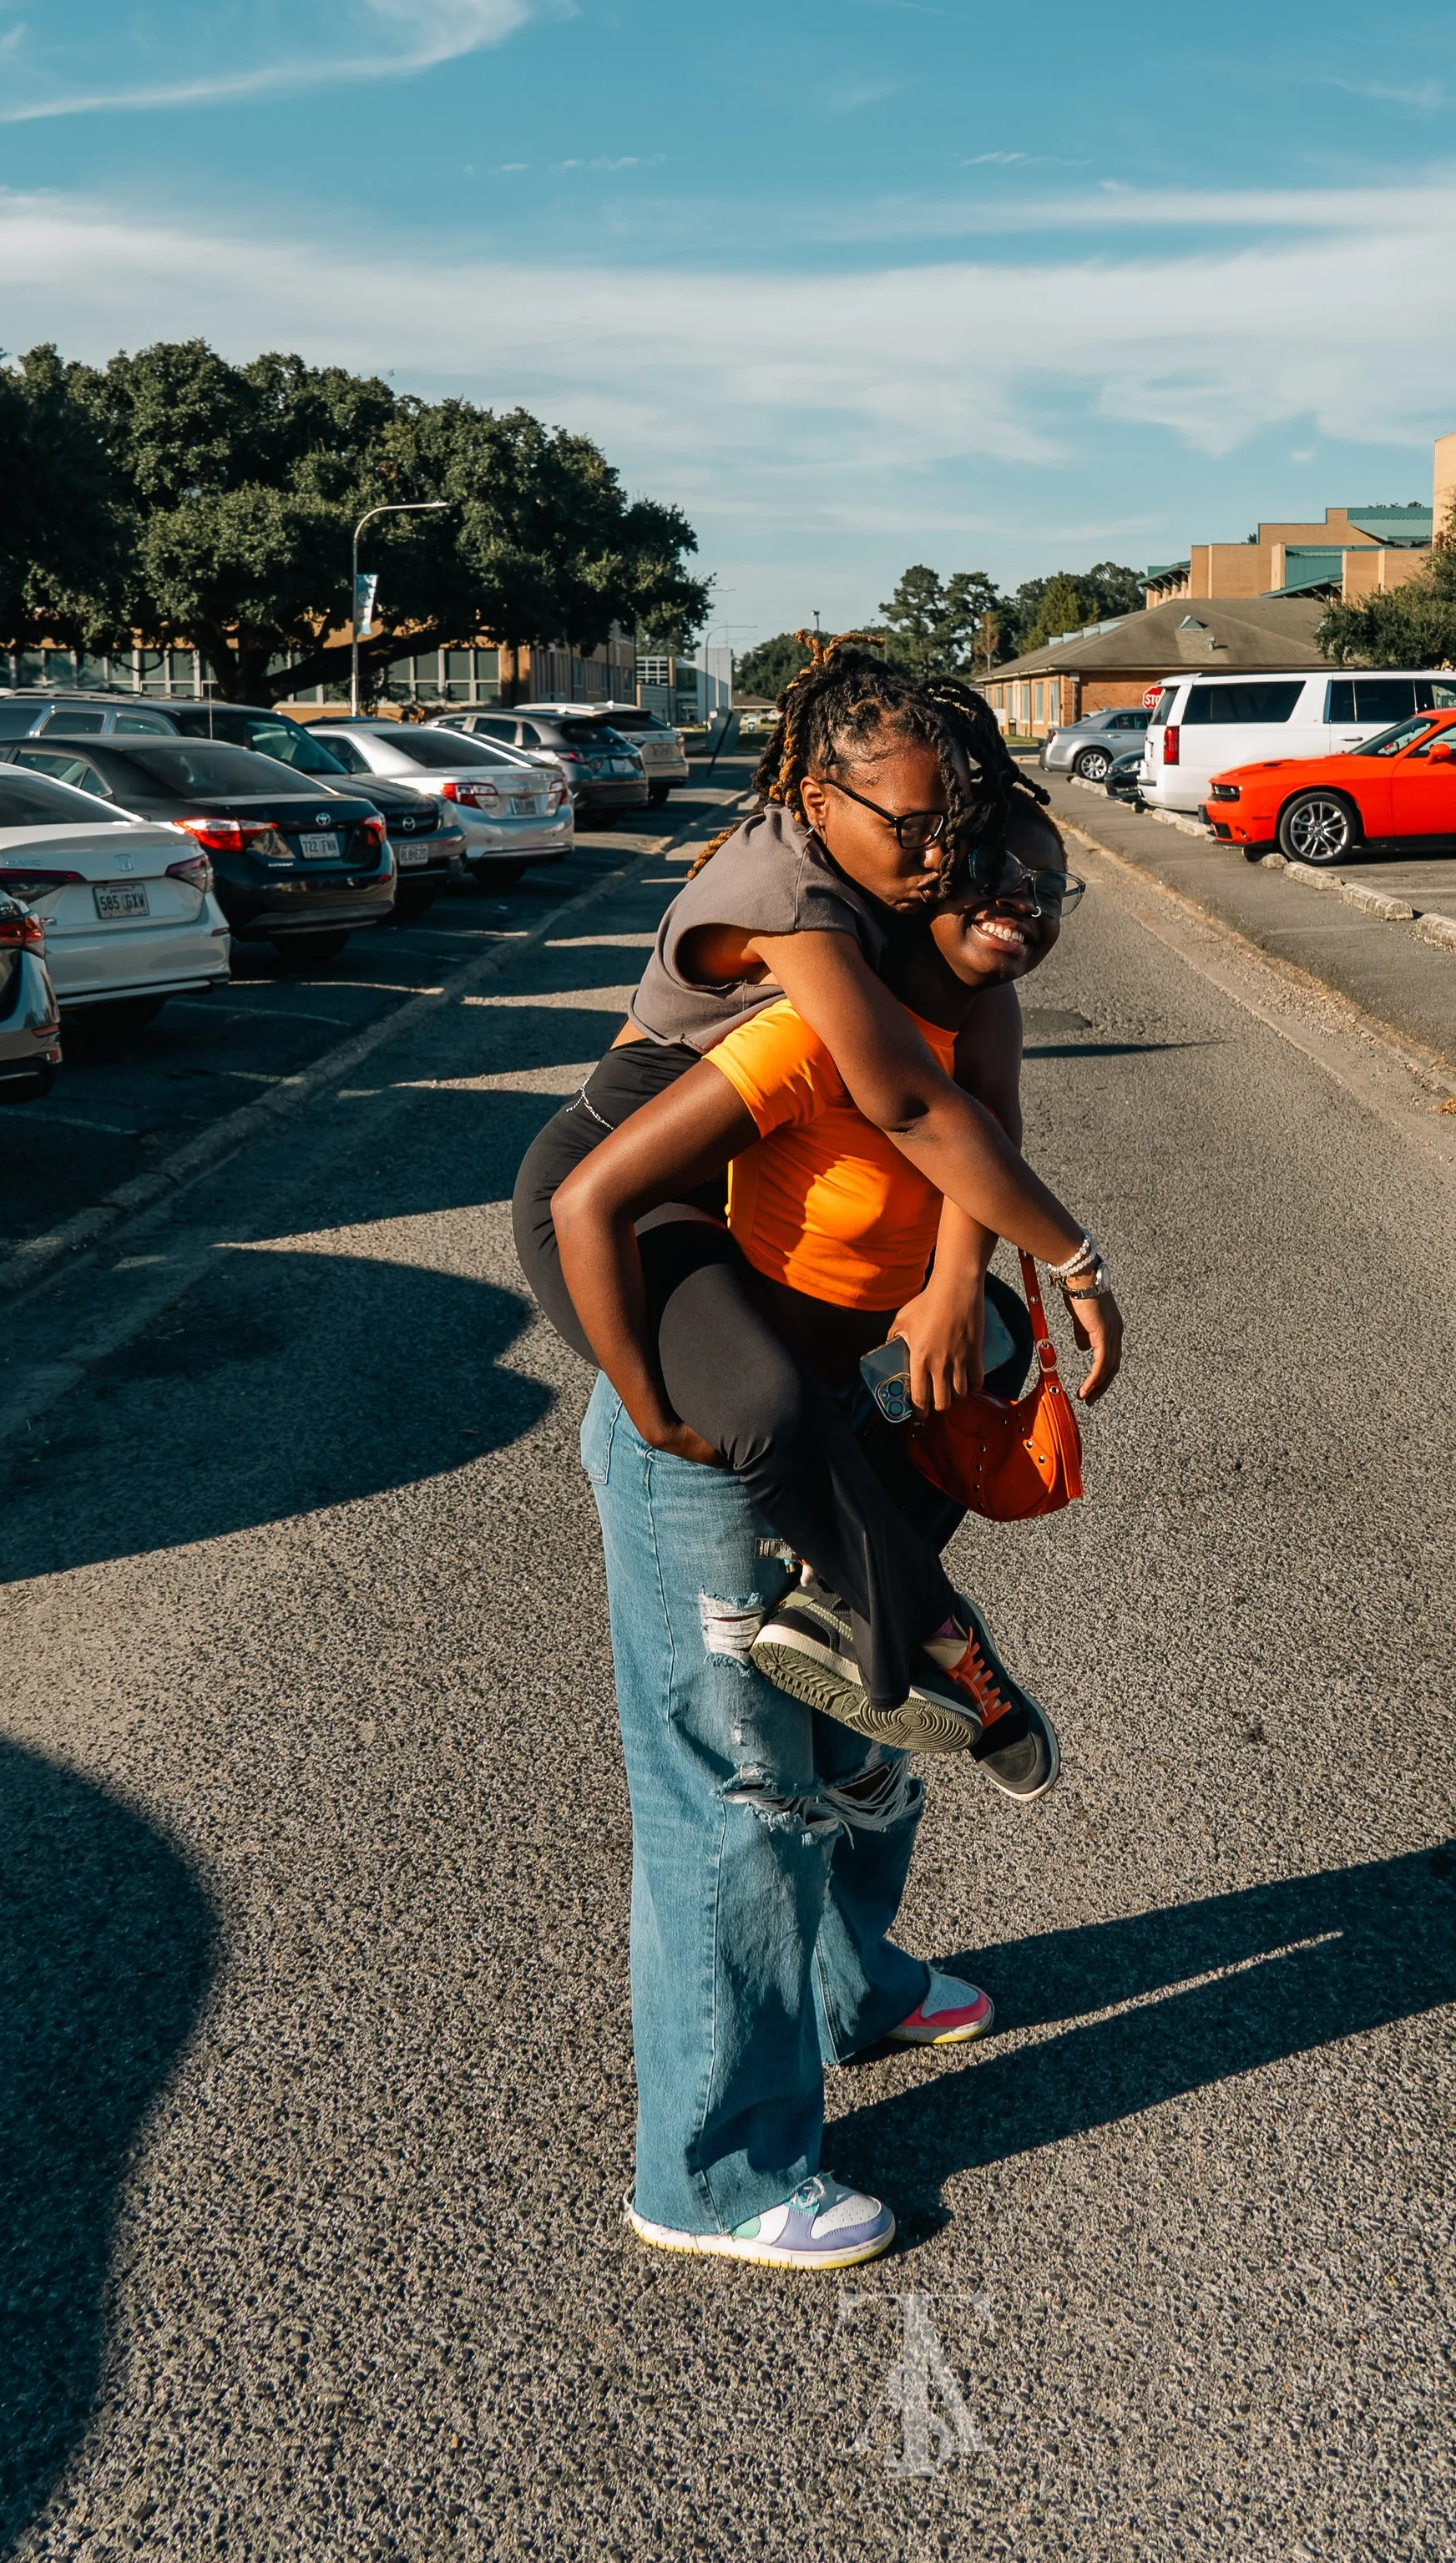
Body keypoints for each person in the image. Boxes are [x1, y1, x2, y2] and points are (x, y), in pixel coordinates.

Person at [574, 805, 1109, 2272]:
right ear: (910, 888)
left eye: (1050, 889)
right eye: (989, 881)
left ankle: (852, 1986)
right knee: (739, 1791)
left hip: (842, 1419)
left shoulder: (967, 1010)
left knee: (864, 1717)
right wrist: (644, 1400)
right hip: (716, 1441)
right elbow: (590, 1196)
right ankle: (715, 2175)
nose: (1023, 909)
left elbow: (973, 1147)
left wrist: (956, 1285)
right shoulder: (811, 1027)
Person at [513, 639, 1120, 1736]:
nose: (938, 858)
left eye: (953, 828)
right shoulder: (792, 894)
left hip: (698, 1193)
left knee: (978, 1337)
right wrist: (1076, 1260)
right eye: (913, 829)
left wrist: (951, 1286)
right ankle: (933, 1640)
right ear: (813, 794)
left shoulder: (872, 873)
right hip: (613, 1192)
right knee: (769, 1412)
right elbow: (912, 1108)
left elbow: (975, 1106)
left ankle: (856, 1616)